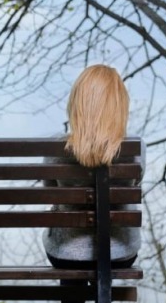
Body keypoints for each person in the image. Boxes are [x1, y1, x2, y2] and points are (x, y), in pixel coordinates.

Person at [42, 64, 142, 271]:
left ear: (77, 103)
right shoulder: (135, 148)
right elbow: (135, 184)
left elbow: (50, 192)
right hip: (120, 253)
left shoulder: (55, 147)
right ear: (119, 106)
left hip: (64, 253)